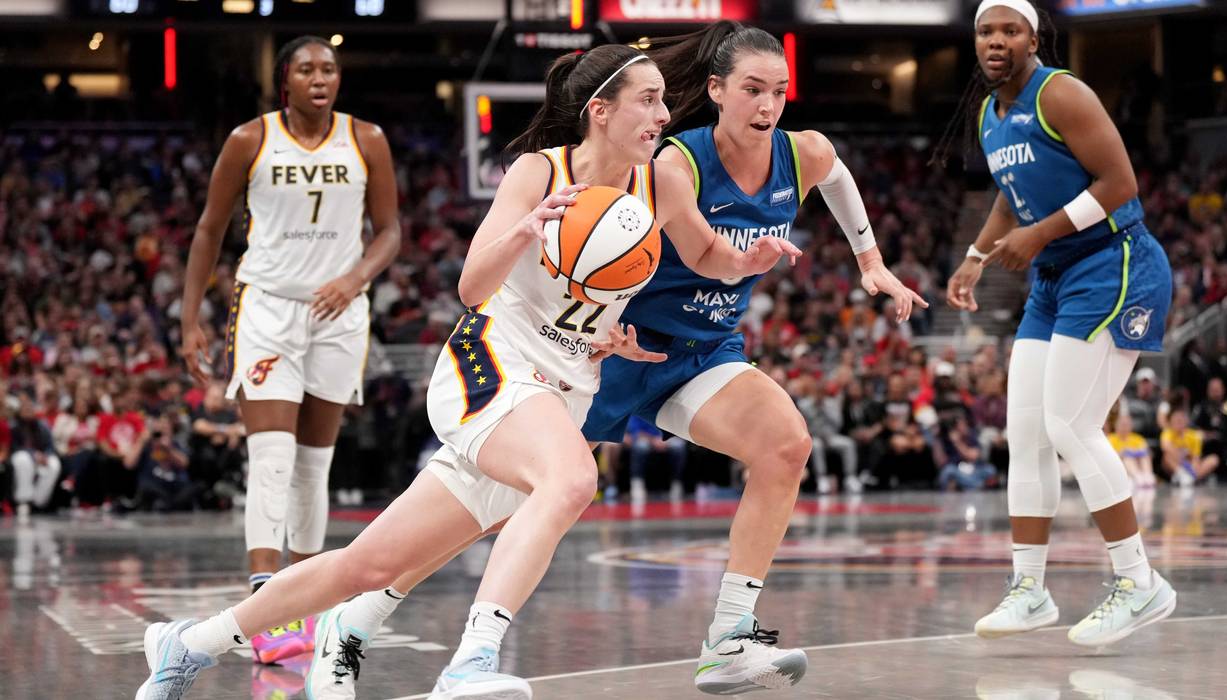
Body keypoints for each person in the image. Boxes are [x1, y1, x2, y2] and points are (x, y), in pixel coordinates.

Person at [135, 43, 799, 700]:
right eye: (647, 101)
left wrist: (747, 262)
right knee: (571, 480)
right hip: (491, 366)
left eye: (662, 101)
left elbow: (710, 257)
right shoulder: (539, 173)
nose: (662, 115)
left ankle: (190, 643)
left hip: (562, 386)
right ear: (600, 111)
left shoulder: (660, 182)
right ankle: (472, 663)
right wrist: (525, 230)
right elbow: (472, 287)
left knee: (370, 564)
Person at [580, 22, 921, 694]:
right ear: (715, 91)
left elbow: (839, 178)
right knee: (517, 496)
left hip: (705, 350)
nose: (767, 107)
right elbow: (604, 249)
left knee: (785, 447)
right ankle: (365, 606)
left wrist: (870, 261)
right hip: (619, 346)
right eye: (751, 91)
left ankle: (728, 640)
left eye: (779, 92)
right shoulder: (675, 164)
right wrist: (603, 322)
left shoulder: (804, 155)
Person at [942, 0, 1176, 646]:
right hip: (1054, 278)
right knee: (1026, 433)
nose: (995, 40)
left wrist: (1039, 233)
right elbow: (1009, 195)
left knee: (1068, 425)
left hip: (1112, 263)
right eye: (985, 30)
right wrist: (973, 257)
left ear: (1032, 37)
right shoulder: (991, 113)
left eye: (1007, 30)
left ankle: (1138, 582)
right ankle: (1030, 590)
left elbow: (1120, 181)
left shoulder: (1061, 94)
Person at [175, 34, 402, 663]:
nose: (320, 77)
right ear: (286, 82)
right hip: (268, 307)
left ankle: (303, 604)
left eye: (329, 67)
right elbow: (209, 228)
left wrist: (355, 278)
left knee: (312, 465)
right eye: (306, 69)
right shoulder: (251, 139)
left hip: (339, 311)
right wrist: (190, 318)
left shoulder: (367, 140)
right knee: (271, 457)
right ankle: (262, 604)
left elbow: (390, 233)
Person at [1161, 407, 1217, 486]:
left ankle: (1190, 478)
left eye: (1181, 420)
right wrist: (1182, 459)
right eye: (1176, 421)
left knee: (1213, 459)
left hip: (1190, 465)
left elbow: (1196, 457)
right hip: (1176, 465)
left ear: (1186, 421)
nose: (1178, 423)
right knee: (1167, 456)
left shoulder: (1194, 435)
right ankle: (1182, 475)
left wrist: (1192, 470)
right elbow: (1166, 446)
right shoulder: (1167, 432)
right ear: (1171, 422)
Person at [1107, 406, 1155, 488]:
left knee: (1144, 456)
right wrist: (1122, 453)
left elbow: (1148, 453)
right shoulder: (1110, 439)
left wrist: (1138, 452)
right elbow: (1109, 458)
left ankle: (1148, 476)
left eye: (1127, 425)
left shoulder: (1138, 438)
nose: (1125, 427)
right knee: (1127, 458)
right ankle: (1137, 477)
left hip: (1139, 464)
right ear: (1116, 426)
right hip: (1121, 467)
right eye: (1122, 425)